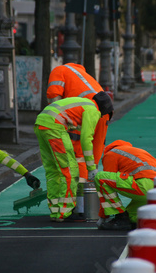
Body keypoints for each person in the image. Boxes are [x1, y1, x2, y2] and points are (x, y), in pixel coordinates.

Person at [34, 93, 114, 222]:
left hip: (41, 124)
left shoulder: (82, 102)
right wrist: (91, 167)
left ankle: (55, 211)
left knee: (53, 170)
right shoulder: (93, 110)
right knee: (70, 171)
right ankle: (65, 212)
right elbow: (86, 139)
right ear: (104, 110)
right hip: (55, 127)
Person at [47, 63, 111, 183]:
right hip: (105, 112)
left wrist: (55, 120)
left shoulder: (58, 70)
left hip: (84, 112)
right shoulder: (84, 75)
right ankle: (91, 184)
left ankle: (80, 191)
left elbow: (53, 95)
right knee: (94, 152)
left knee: (80, 153)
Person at [95, 140, 156, 230]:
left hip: (143, 186)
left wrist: (103, 217)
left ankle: (120, 216)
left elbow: (106, 184)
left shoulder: (111, 154)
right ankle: (134, 222)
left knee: (100, 177)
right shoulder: (137, 151)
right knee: (131, 216)